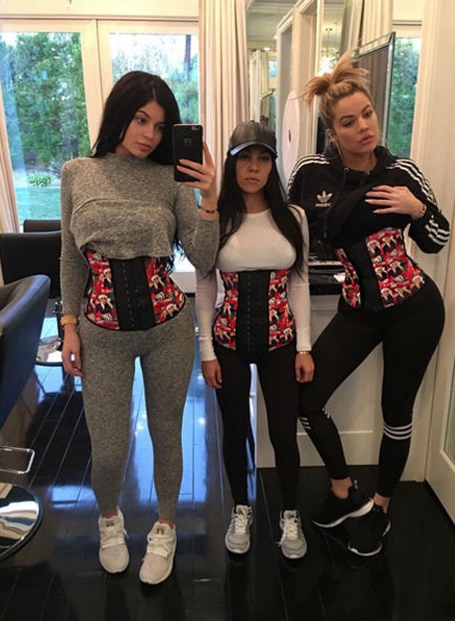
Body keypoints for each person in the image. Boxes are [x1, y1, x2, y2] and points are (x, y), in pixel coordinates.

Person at [287, 53, 450, 557]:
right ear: (332, 133)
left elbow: (438, 238)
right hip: (357, 307)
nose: (363, 127)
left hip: (414, 308)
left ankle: (381, 508)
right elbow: (293, 238)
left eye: (368, 114)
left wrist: (416, 209)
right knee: (306, 399)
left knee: (395, 412)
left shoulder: (402, 171)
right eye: (348, 122)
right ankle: (344, 490)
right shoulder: (313, 173)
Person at [59, 71, 219, 583]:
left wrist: (210, 199)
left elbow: (203, 257)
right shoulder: (78, 173)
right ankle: (110, 519)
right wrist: (68, 324)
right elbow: (70, 257)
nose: (150, 134)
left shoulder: (170, 178)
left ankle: (165, 526)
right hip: (100, 332)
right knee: (108, 448)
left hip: (167, 327)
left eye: (161, 126)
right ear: (119, 115)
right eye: (140, 119)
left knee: (167, 434)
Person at [195, 121, 315, 559]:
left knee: (283, 432)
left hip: (281, 340)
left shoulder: (293, 217)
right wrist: (206, 351)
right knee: (234, 430)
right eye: (245, 158)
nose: (253, 167)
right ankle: (241, 508)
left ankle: (289, 513)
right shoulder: (218, 217)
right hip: (228, 339)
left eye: (263, 159)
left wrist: (304, 346)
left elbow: (299, 282)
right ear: (231, 163)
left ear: (272, 165)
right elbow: (205, 284)